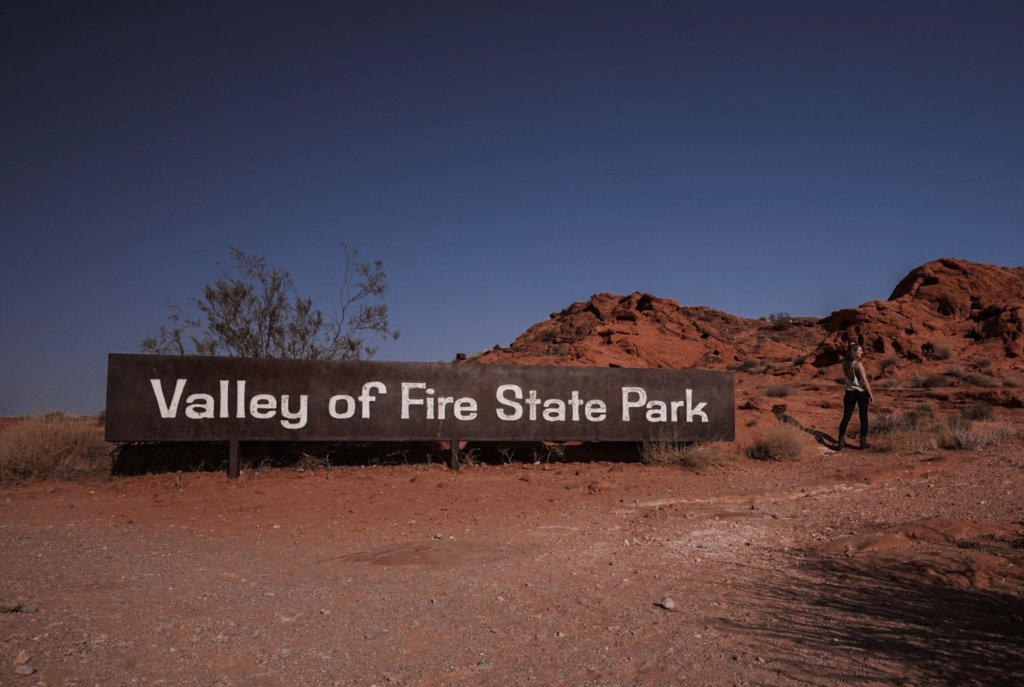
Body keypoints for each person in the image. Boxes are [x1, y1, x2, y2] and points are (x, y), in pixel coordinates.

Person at [837, 342, 874, 450]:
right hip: (861, 393)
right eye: (859, 350)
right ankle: (863, 444)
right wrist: (871, 394)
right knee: (863, 417)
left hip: (849, 392)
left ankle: (840, 442)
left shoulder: (844, 363)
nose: (862, 352)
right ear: (854, 352)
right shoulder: (858, 364)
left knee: (846, 417)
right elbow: (865, 380)